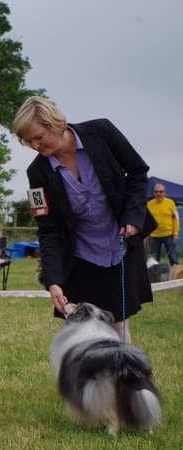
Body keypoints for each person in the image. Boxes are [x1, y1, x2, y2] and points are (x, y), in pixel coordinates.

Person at [14, 96, 153, 343]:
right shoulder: (36, 173)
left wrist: (133, 216)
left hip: (119, 245)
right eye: (28, 141)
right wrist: (53, 280)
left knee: (118, 325)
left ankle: (125, 378)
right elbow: (48, 230)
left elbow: (138, 172)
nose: (35, 145)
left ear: (54, 123)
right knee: (83, 330)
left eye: (39, 136)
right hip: (81, 255)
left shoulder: (102, 132)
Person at [147, 183, 179, 265]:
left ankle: (175, 276)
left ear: (165, 193)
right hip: (154, 236)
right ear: (153, 193)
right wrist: (147, 235)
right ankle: (154, 277)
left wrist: (175, 234)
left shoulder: (170, 203)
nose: (158, 193)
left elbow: (176, 219)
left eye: (161, 192)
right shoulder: (149, 204)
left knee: (173, 258)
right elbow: (146, 221)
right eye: (156, 192)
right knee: (154, 260)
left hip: (169, 235)